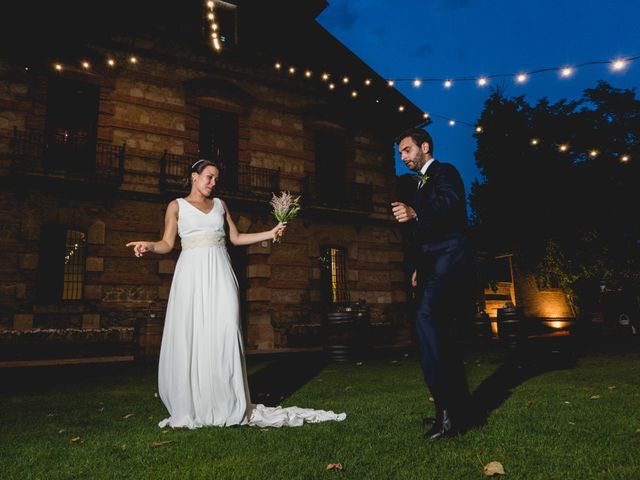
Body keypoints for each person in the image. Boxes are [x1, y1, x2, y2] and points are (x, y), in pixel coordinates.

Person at [127, 159, 346, 429]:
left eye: (216, 179)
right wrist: (148, 245)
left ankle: (228, 399)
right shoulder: (177, 206)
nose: (213, 182)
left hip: (220, 272)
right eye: (208, 177)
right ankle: (196, 403)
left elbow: (236, 238)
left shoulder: (220, 205)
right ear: (194, 177)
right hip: (191, 274)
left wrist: (271, 231)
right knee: (193, 333)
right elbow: (167, 243)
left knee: (227, 330)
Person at [391, 128, 475, 440]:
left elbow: (450, 204)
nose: (403, 157)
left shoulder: (445, 172)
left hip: (450, 259)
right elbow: (422, 231)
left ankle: (448, 414)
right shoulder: (417, 185)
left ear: (425, 146)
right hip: (429, 264)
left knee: (424, 321)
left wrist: (415, 211)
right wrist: (416, 266)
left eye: (407, 150)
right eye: (400, 153)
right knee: (441, 334)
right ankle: (455, 410)